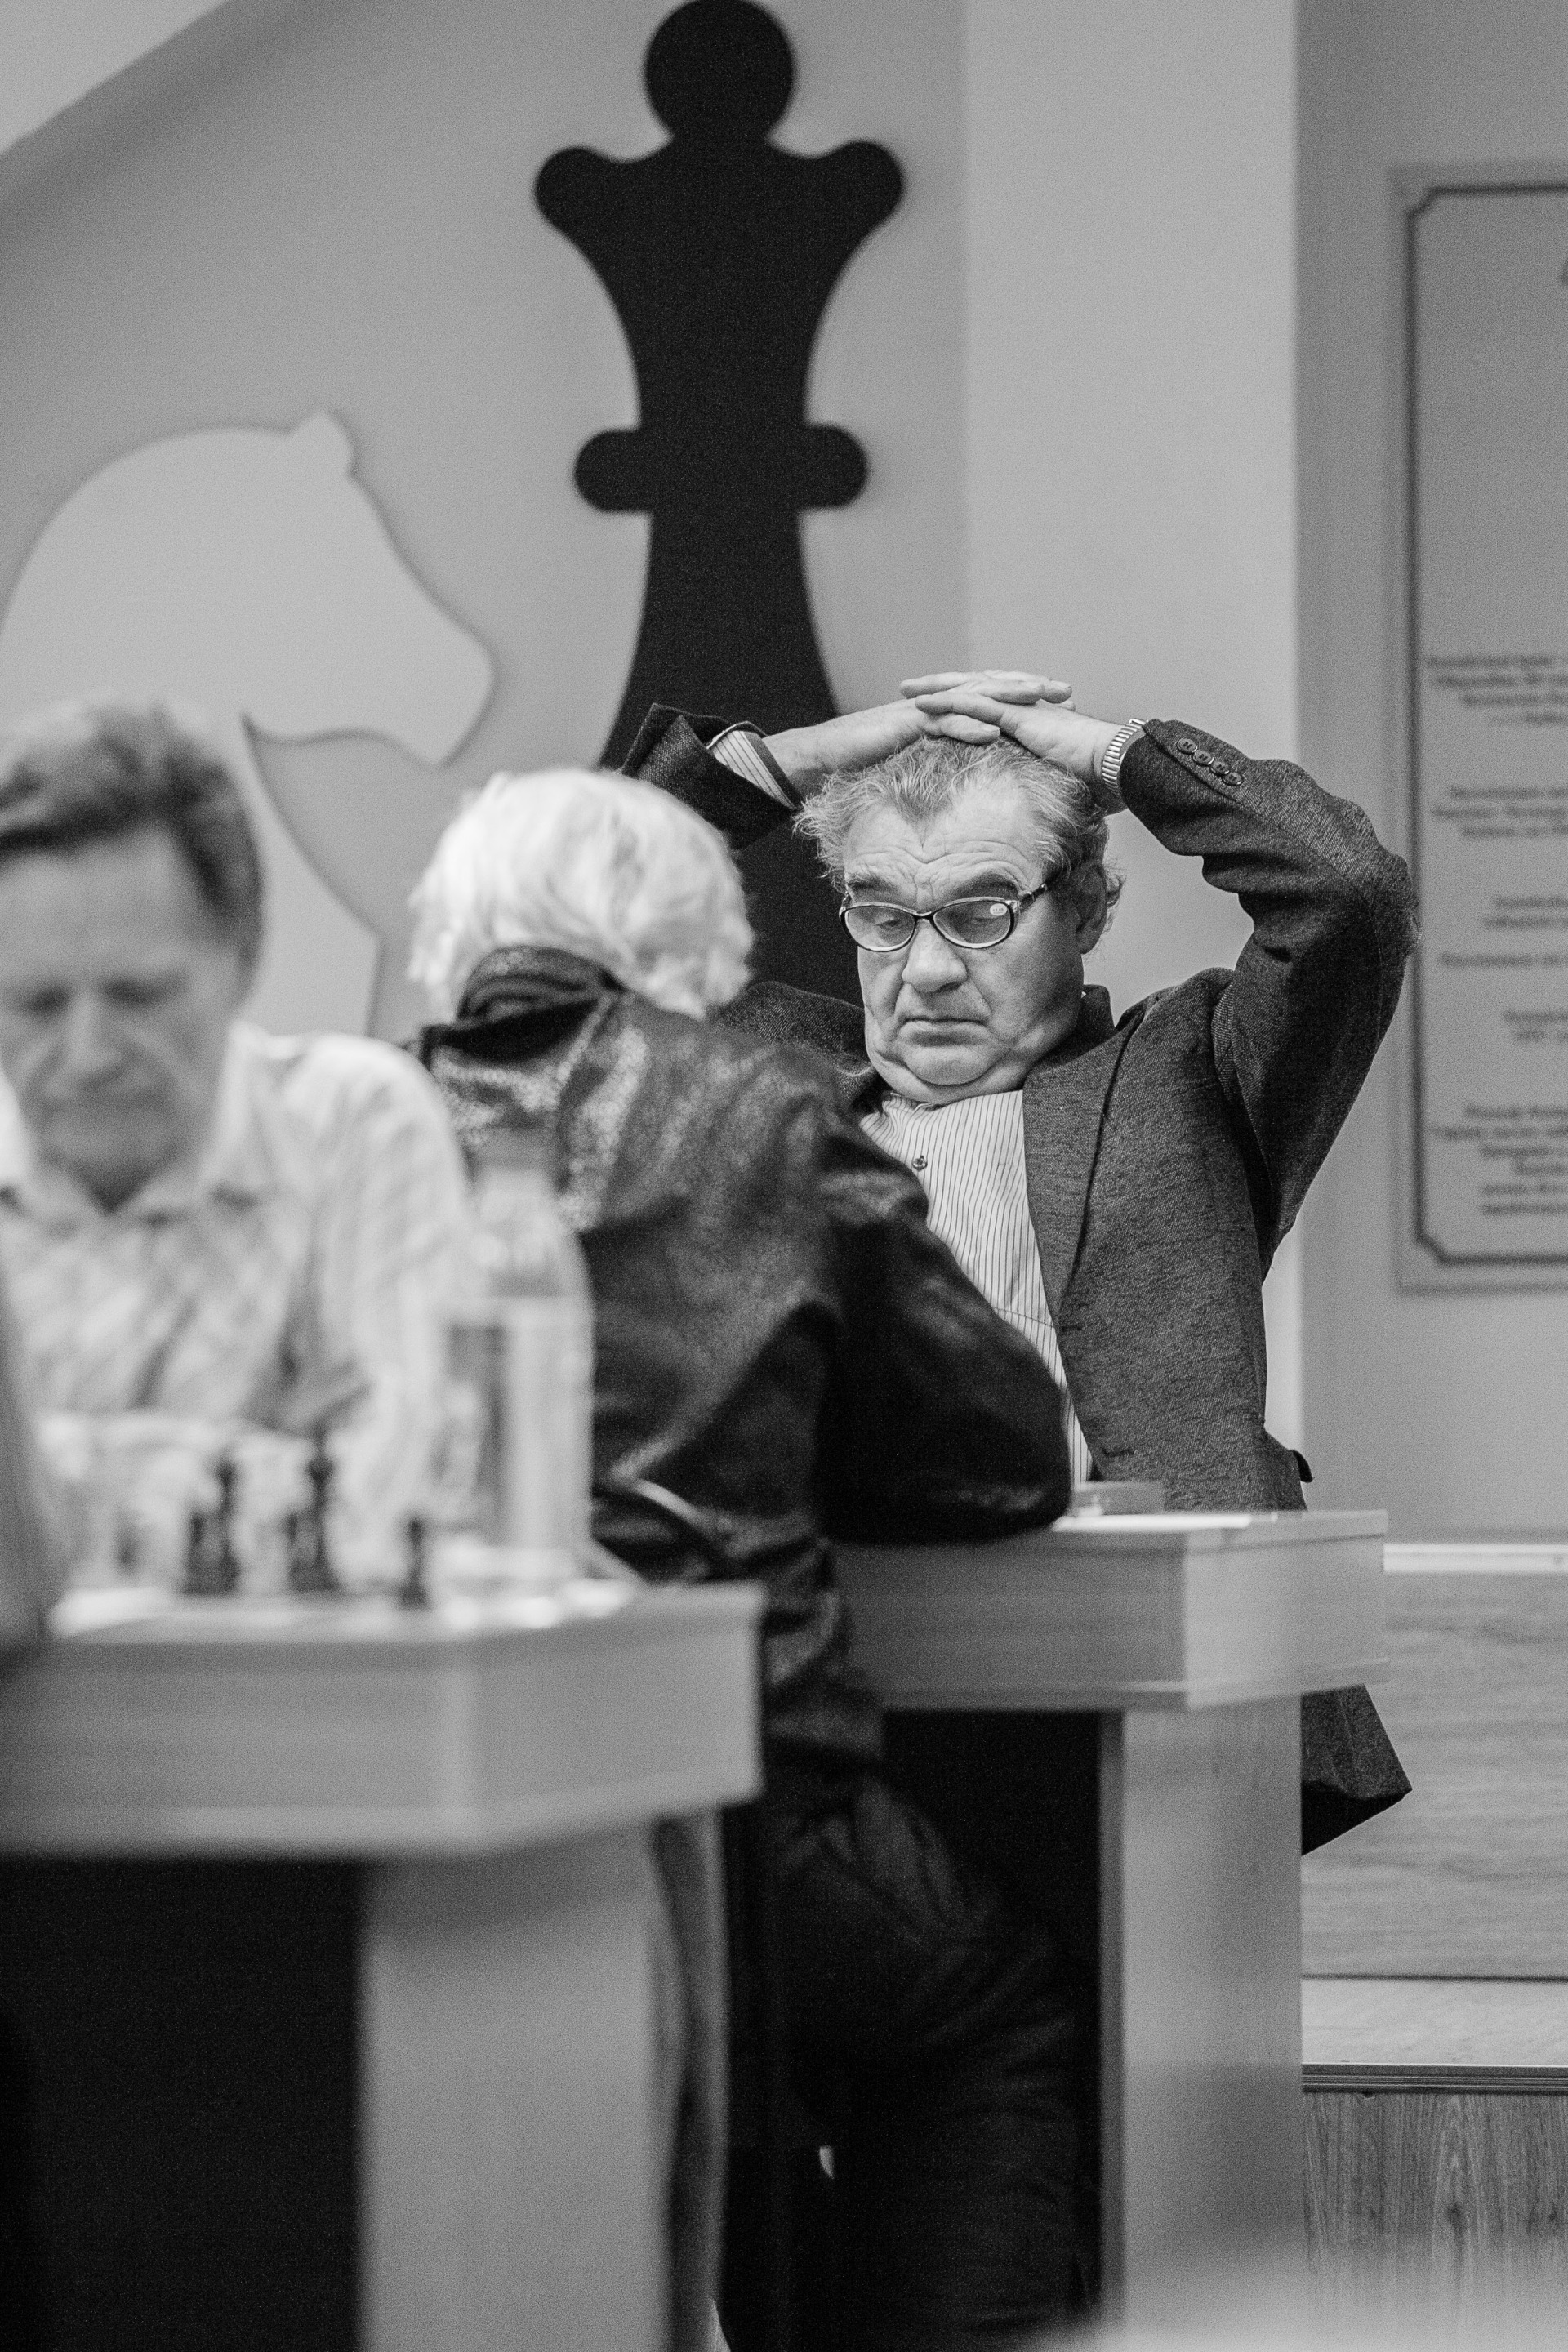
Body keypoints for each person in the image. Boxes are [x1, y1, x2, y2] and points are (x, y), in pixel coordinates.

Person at [410, 764, 1082, 2352]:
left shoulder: (362, 1118)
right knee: (987, 2004)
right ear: (688, 961)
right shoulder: (765, 1109)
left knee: (736, 2052)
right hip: (731, 1799)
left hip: (433, 1808)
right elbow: (1007, 1458)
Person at [624, 668, 1419, 1850]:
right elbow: (558, 949)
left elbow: (1347, 892)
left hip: (1135, 1664)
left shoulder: (1184, 1077)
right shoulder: (760, 1075)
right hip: (811, 1662)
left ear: (1086, 908)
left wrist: (1117, 757)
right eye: (882, 914)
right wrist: (789, 761)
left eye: (982, 912)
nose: (927, 969)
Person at [0, 699, 467, 1582]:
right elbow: (331, 1507)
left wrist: (31, 1481)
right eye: (36, 1005)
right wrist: (256, 1457)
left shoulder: (354, 1127)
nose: (87, 1053)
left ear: (243, 954)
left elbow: (391, 1517)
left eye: (138, 996)